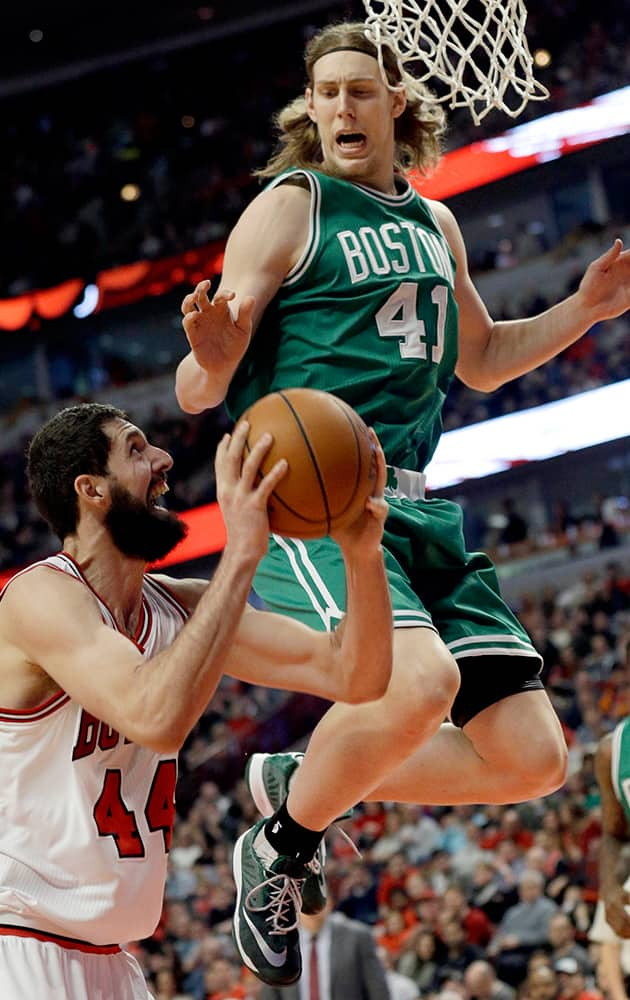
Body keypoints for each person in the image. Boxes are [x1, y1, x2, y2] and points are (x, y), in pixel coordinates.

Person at [175, 16, 630, 987]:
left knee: (534, 756)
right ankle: (285, 840)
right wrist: (210, 363)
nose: (341, 104)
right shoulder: (290, 207)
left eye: (359, 90)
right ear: (311, 110)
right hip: (312, 495)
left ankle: (300, 782)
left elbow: (482, 355)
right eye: (326, 91)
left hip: (418, 504)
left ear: (396, 108)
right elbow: (197, 384)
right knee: (416, 686)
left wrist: (584, 309)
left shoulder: (436, 221)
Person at [0, 402, 392, 999]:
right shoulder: (38, 597)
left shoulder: (178, 607)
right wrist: (240, 555)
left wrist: (362, 551)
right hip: (20, 944)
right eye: (135, 449)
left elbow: (356, 673)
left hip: (112, 960)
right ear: (91, 489)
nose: (163, 460)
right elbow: (154, 717)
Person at [258, 898, 390, 1000]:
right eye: (304, 901)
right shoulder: (279, 942)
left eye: (316, 899)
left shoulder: (358, 937)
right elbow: (270, 994)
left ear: (329, 902)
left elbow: (378, 990)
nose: (310, 907)